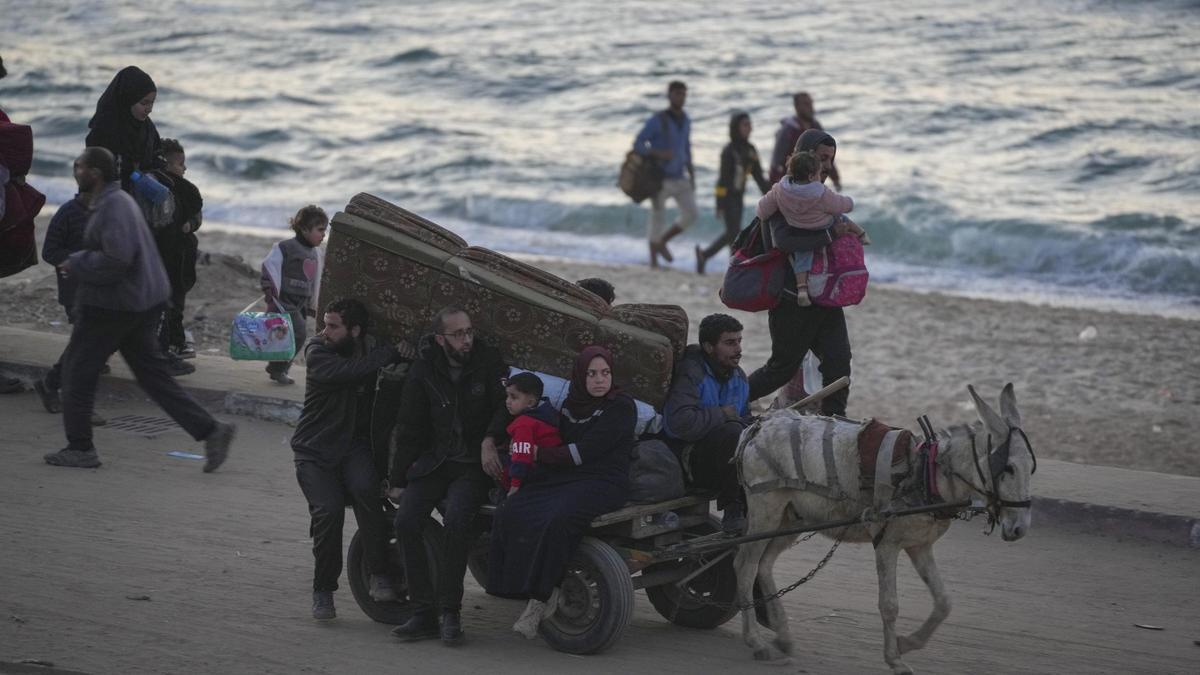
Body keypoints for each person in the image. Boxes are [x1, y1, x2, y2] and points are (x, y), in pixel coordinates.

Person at [42, 147, 234, 471]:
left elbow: (117, 259)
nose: (75, 171)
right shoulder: (117, 201)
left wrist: (76, 262)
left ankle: (80, 448)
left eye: (80, 167)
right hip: (140, 301)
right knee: (153, 377)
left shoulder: (112, 207)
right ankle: (211, 430)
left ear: (95, 174)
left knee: (76, 372)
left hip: (113, 305)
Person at [487, 346, 636, 639]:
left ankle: (542, 598)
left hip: (605, 481)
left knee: (558, 518)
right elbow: (545, 433)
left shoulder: (621, 407)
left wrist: (537, 454)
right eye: (591, 374)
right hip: (568, 478)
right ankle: (515, 586)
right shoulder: (570, 405)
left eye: (605, 373)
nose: (599, 380)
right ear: (580, 376)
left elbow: (586, 451)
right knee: (513, 507)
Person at [388, 307, 508, 646]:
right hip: (435, 463)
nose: (467, 339)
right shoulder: (425, 369)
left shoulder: (488, 361)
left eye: (469, 331)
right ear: (441, 339)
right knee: (406, 520)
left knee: (457, 520)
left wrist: (489, 439)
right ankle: (423, 613)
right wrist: (398, 479)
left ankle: (450, 612)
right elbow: (410, 426)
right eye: (459, 334)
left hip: (472, 466)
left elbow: (505, 406)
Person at [292, 298, 415, 621]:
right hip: (314, 451)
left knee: (368, 490)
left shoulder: (369, 351)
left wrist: (407, 350)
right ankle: (323, 590)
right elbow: (349, 372)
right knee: (329, 511)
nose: (324, 331)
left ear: (355, 331)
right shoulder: (318, 352)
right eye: (325, 324)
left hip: (351, 448)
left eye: (333, 326)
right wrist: (390, 354)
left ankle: (379, 574)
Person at [748, 129, 859, 416]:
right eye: (822, 158)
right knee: (780, 370)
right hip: (790, 300)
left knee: (839, 362)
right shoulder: (783, 197)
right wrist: (831, 235)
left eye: (831, 160)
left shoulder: (821, 197)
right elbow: (783, 242)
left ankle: (836, 419)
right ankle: (730, 399)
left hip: (824, 298)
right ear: (804, 156)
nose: (826, 166)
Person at [663, 314, 751, 532]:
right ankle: (733, 509)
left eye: (739, 341)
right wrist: (722, 414)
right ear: (709, 347)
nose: (738, 349)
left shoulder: (739, 377)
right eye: (730, 343)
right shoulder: (691, 372)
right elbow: (678, 423)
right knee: (732, 432)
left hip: (726, 461)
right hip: (688, 462)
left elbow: (743, 417)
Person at [33, 191, 109, 424]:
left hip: (100, 290)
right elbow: (49, 252)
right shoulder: (67, 213)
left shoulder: (106, 211)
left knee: (86, 346)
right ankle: (78, 404)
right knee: (86, 347)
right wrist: (81, 260)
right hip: (75, 291)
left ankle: (51, 384)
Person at [757, 150, 867, 306]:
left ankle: (802, 290)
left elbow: (762, 210)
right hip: (821, 226)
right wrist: (850, 202)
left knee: (803, 257)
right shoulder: (820, 194)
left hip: (799, 230)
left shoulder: (780, 190)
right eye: (818, 173)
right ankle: (861, 233)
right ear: (810, 176)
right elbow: (841, 205)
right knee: (840, 217)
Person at [696, 112, 771, 275]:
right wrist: (719, 203)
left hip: (739, 197)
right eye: (745, 125)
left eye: (750, 124)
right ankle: (733, 269)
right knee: (733, 233)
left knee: (733, 233)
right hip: (728, 198)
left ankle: (705, 255)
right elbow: (722, 180)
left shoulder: (751, 150)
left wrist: (771, 195)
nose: (749, 128)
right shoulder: (729, 151)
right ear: (736, 128)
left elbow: (758, 177)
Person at [261, 205, 326, 385]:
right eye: (320, 230)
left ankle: (276, 367)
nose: (324, 235)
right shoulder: (285, 247)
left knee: (290, 336)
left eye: (325, 230)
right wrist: (269, 291)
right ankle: (278, 369)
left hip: (301, 303)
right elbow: (269, 267)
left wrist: (313, 303)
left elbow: (316, 279)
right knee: (299, 334)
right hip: (285, 302)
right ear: (304, 229)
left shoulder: (316, 253)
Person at [633, 81, 696, 268]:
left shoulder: (686, 120)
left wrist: (692, 173)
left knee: (691, 214)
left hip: (680, 176)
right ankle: (653, 262)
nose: (681, 97)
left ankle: (663, 241)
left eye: (684, 94)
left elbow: (687, 147)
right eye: (677, 94)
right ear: (669, 95)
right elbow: (638, 143)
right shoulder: (658, 120)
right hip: (659, 178)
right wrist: (658, 153)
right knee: (657, 217)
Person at [153, 138, 203, 360]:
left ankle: (175, 341)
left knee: (176, 303)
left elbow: (197, 215)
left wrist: (190, 225)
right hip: (165, 256)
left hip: (181, 256)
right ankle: (173, 342)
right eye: (181, 164)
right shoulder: (157, 186)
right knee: (168, 304)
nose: (185, 168)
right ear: (167, 164)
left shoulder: (187, 191)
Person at [85, 66, 162, 193]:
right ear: (128, 99)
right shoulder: (104, 129)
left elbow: (157, 156)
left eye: (152, 103)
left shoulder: (147, 128)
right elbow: (100, 171)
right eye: (144, 103)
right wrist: (136, 177)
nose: (149, 109)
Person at [500, 372, 562, 496]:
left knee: (501, 460)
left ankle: (502, 492)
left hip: (534, 474)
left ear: (530, 402)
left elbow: (521, 455)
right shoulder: (548, 415)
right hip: (552, 470)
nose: (507, 401)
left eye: (514, 397)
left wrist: (515, 486)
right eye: (507, 396)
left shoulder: (524, 424)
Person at [769, 92, 840, 190]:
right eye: (806, 104)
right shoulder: (788, 130)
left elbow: (827, 153)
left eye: (811, 103)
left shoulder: (815, 126)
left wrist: (835, 178)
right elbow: (776, 162)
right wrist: (774, 190)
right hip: (792, 185)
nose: (811, 107)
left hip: (814, 181)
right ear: (797, 107)